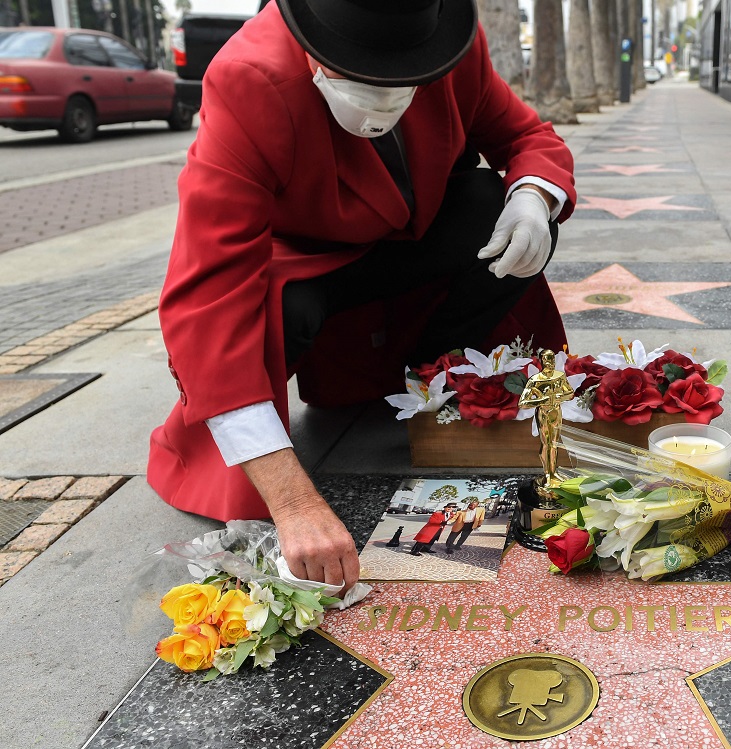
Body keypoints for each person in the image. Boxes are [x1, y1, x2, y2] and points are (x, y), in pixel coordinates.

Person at [147, 0, 575, 597]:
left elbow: (527, 135)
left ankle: (435, 376)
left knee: (492, 208)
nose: (384, 98)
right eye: (361, 77)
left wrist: (534, 194)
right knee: (275, 305)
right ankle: (330, 393)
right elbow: (209, 288)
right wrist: (293, 502)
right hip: (310, 266)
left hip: (415, 240)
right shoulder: (249, 77)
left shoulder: (450, 45)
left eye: (402, 80)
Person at [517, 349, 575, 492]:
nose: (550, 363)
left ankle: (554, 472)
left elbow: (570, 393)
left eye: (552, 360)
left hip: (556, 412)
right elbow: (522, 403)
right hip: (543, 413)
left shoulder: (560, 376)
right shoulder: (535, 380)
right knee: (546, 443)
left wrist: (558, 397)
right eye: (547, 360)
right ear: (542, 361)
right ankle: (547, 474)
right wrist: (542, 400)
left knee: (554, 444)